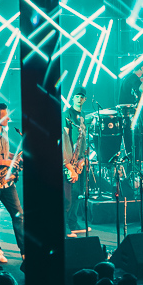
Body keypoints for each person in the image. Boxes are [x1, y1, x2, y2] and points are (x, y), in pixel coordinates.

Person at [0, 103, 24, 264]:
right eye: (5, 115)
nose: (8, 118)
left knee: (19, 214)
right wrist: (4, 162)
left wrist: (14, 157)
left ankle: (24, 251)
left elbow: (4, 153)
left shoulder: (5, 132)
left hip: (7, 181)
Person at [63, 88, 89, 235]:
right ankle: (65, 225)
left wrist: (84, 158)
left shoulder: (83, 115)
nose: (79, 99)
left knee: (78, 192)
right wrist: (68, 163)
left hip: (80, 159)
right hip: (70, 160)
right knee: (69, 194)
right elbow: (65, 138)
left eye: (82, 97)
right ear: (73, 98)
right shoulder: (67, 114)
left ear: (85, 99)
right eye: (77, 96)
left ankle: (73, 222)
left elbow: (83, 139)